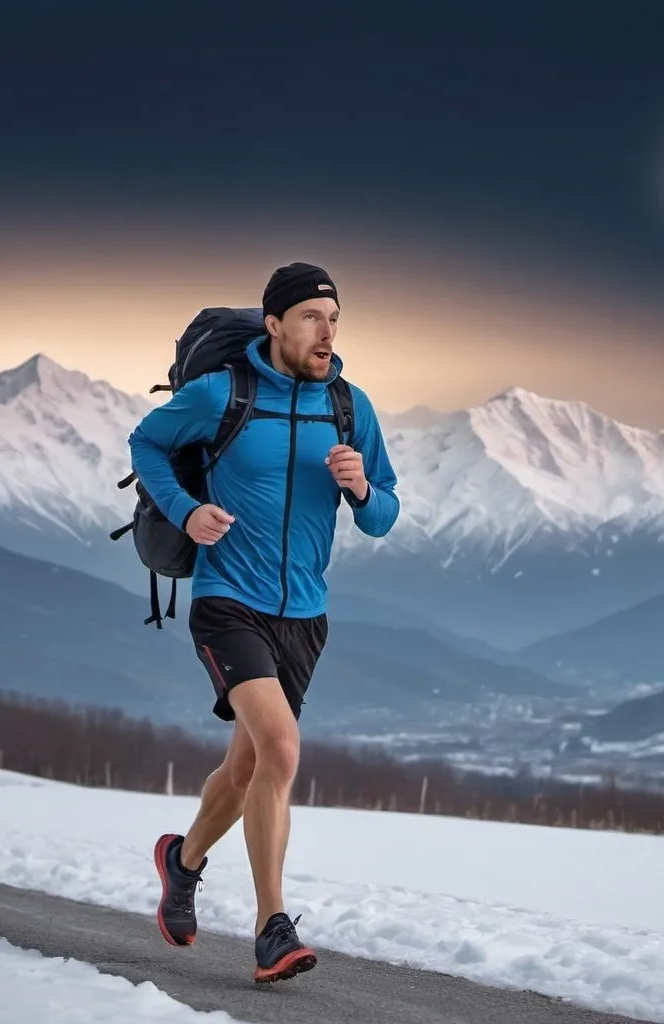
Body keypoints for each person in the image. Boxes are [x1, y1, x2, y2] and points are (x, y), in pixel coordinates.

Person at [126, 261, 400, 983]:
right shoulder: (222, 395)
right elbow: (146, 444)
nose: (327, 330)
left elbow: (383, 517)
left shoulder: (349, 407)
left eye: (335, 318)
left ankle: (180, 864)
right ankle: (271, 927)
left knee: (249, 764)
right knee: (280, 748)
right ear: (274, 323)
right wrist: (187, 510)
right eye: (312, 316)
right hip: (228, 602)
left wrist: (363, 486)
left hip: (306, 616)